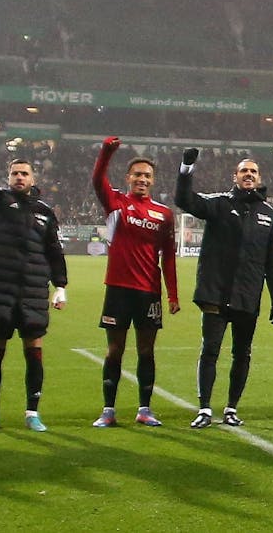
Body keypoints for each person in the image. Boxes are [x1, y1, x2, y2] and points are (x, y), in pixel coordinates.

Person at [0, 120, 68, 433]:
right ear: (8, 178)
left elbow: (54, 251)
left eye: (24, 173)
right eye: (14, 173)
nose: (19, 177)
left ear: (33, 178)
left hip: (32, 293)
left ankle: (31, 413)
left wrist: (61, 286)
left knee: (33, 351)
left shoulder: (45, 212)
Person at [176, 148, 273, 428]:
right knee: (210, 350)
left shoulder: (269, 215)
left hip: (248, 296)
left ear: (259, 177)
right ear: (235, 176)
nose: (248, 174)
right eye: (243, 171)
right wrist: (186, 169)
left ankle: (231, 408)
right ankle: (203, 409)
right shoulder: (219, 204)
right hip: (216, 292)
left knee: (242, 353)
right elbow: (185, 200)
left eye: (253, 171)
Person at [90, 137, 180, 428]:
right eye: (137, 174)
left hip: (148, 292)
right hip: (117, 289)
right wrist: (107, 151)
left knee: (146, 351)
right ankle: (108, 410)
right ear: (128, 178)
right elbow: (97, 179)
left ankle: (145, 409)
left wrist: (172, 294)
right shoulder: (116, 202)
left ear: (153, 181)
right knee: (114, 350)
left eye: (147, 175)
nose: (142, 179)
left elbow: (168, 257)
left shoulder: (164, 214)